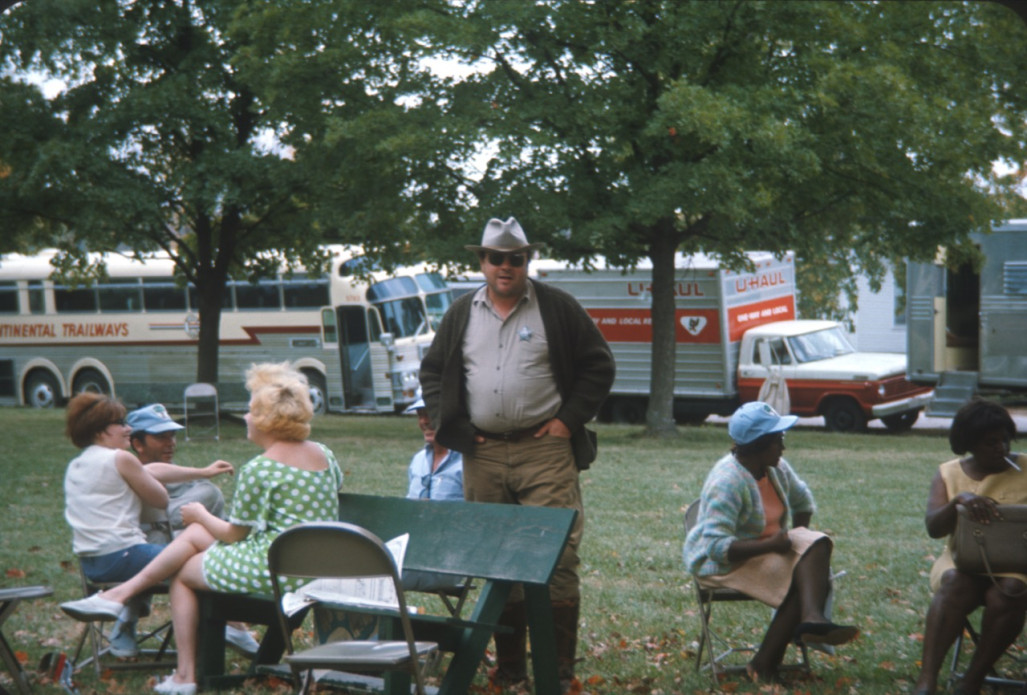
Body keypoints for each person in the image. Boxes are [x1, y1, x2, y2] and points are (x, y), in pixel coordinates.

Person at [60, 362, 344, 695]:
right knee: (193, 541)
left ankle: (185, 674)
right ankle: (124, 599)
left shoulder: (261, 469)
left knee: (184, 568)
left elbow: (234, 534)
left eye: (251, 412)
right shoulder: (325, 454)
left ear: (269, 420)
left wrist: (199, 514)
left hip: (274, 569)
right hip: (314, 565)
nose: (246, 418)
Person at [419, 217, 615, 693]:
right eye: (496, 258)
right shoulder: (461, 313)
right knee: (496, 560)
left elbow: (599, 365)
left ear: (529, 260)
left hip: (544, 452)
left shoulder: (558, 308)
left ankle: (560, 674)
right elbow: (432, 373)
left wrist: (567, 421)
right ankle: (510, 672)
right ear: (481, 261)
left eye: (516, 258)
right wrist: (458, 430)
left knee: (557, 560)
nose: (505, 267)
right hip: (482, 457)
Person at [683, 401, 859, 683]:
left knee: (819, 544)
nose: (783, 447)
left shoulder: (776, 468)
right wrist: (772, 547)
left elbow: (804, 501)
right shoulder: (727, 481)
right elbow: (716, 547)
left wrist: (799, 544)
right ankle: (765, 664)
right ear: (758, 445)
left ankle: (812, 620)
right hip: (720, 564)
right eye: (778, 440)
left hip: (765, 552)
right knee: (798, 582)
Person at [126, 403, 258, 657]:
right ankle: (235, 626)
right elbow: (150, 479)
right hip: (141, 555)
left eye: (172, 435)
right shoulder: (124, 472)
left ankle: (233, 626)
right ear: (137, 444)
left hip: (185, 555)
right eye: (160, 437)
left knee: (209, 497)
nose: (170, 443)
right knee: (195, 514)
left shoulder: (190, 482)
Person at [912, 398, 1025, 695]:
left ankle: (972, 679)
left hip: (1018, 563)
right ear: (970, 443)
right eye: (991, 442)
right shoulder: (949, 473)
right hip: (963, 559)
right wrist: (958, 501)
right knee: (954, 583)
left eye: (1004, 439)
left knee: (1011, 589)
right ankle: (927, 679)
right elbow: (934, 528)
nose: (1001, 447)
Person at [63, 392, 171, 658]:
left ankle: (126, 621)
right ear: (101, 431)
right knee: (195, 557)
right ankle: (219, 632)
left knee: (158, 551)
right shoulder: (121, 458)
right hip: (123, 556)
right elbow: (161, 499)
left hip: (92, 564)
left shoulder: (76, 464)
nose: (128, 429)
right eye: (121, 423)